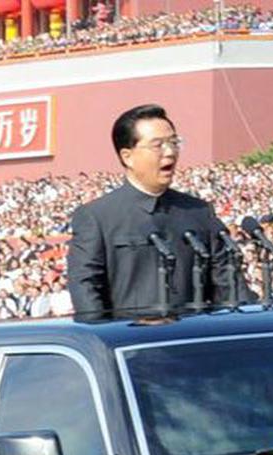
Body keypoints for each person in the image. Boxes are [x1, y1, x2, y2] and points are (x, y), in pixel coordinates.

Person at [67, 104, 248, 318]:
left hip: (195, 339)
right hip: (131, 343)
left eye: (174, 142)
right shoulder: (98, 216)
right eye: (158, 145)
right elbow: (86, 289)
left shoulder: (198, 211)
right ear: (127, 156)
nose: (170, 151)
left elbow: (228, 285)